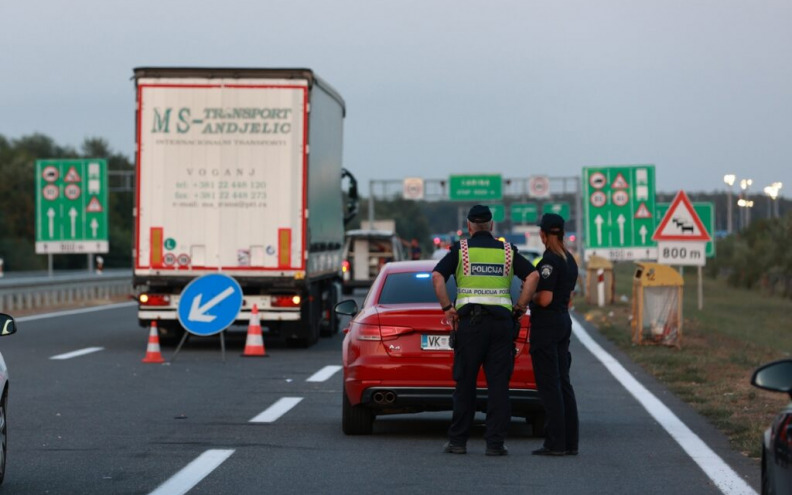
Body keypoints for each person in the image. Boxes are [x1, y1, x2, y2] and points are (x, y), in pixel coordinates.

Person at [432, 205, 539, 456]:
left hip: (470, 326)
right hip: (502, 326)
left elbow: (437, 277)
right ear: (491, 226)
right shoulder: (508, 252)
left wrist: (448, 308)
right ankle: (495, 444)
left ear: (469, 226)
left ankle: (458, 442)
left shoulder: (461, 250)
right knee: (499, 386)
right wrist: (520, 307)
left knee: (465, 384)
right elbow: (533, 276)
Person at [529, 213, 579, 456]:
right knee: (563, 382)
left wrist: (529, 296)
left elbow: (545, 298)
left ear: (544, 234)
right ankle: (570, 442)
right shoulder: (570, 260)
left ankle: (554, 443)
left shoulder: (548, 261)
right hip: (563, 321)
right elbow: (566, 297)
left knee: (549, 385)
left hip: (547, 325)